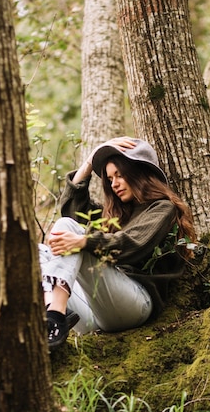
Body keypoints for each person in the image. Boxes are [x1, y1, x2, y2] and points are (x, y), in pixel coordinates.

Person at [40, 137, 197, 349]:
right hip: (95, 314)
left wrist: (82, 241)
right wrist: (89, 162)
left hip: (135, 304)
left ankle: (53, 318)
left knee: (73, 234)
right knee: (39, 252)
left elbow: (132, 244)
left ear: (139, 174)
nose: (114, 184)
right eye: (110, 178)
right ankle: (54, 315)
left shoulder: (162, 209)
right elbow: (74, 212)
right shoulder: (117, 215)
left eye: (120, 175)